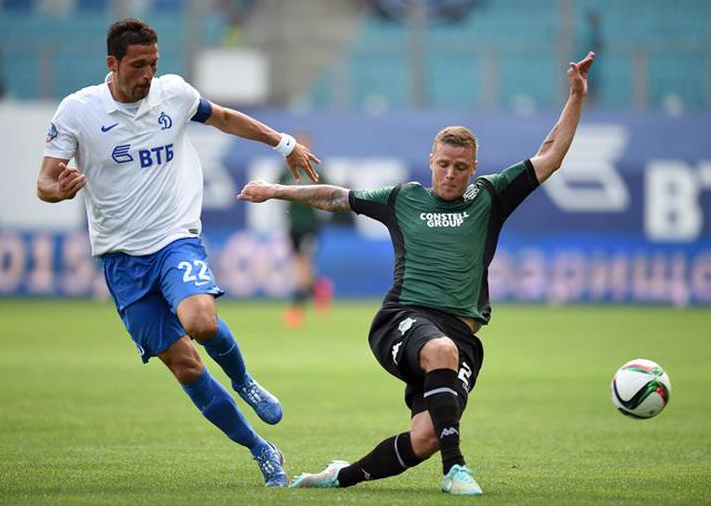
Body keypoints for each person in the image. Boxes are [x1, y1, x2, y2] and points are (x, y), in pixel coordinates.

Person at [238, 51, 595, 495]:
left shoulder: (490, 198)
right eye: (443, 164)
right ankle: (457, 469)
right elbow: (336, 197)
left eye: (460, 167)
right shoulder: (404, 199)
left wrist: (576, 96)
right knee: (440, 351)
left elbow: (551, 155)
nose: (450, 174)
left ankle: (339, 476)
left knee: (425, 437)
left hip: (463, 334)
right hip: (403, 319)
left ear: (473, 169)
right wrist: (275, 190)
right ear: (430, 161)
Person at [37, 18, 320, 488]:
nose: (148, 74)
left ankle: (244, 379)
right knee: (186, 365)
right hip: (121, 259)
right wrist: (59, 190)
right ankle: (261, 450)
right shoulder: (78, 111)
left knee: (201, 322)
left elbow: (225, 116)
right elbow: (45, 180)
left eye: (153, 63)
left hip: (174, 237)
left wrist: (283, 143)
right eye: (138, 65)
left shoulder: (173, 93)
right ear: (112, 64)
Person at [277, 132, 332, 329]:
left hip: (310, 225)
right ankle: (320, 288)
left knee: (303, 266)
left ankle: (296, 309)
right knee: (300, 265)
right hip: (293, 226)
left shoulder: (316, 170)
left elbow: (331, 195)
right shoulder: (285, 172)